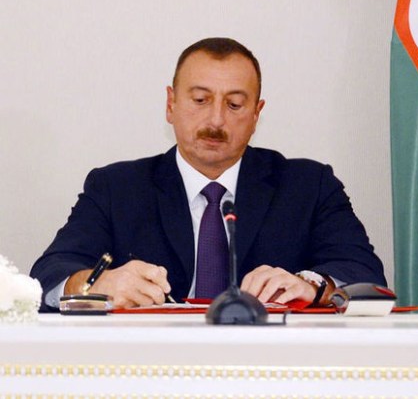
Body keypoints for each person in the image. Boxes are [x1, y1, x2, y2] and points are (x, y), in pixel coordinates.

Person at [30, 37, 386, 312]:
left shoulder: (308, 186)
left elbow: (365, 274)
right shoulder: (116, 188)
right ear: (171, 104)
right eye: (200, 100)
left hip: (272, 365)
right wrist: (93, 285)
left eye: (234, 105)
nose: (216, 120)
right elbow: (48, 274)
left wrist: (312, 285)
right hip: (150, 364)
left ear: (256, 114)